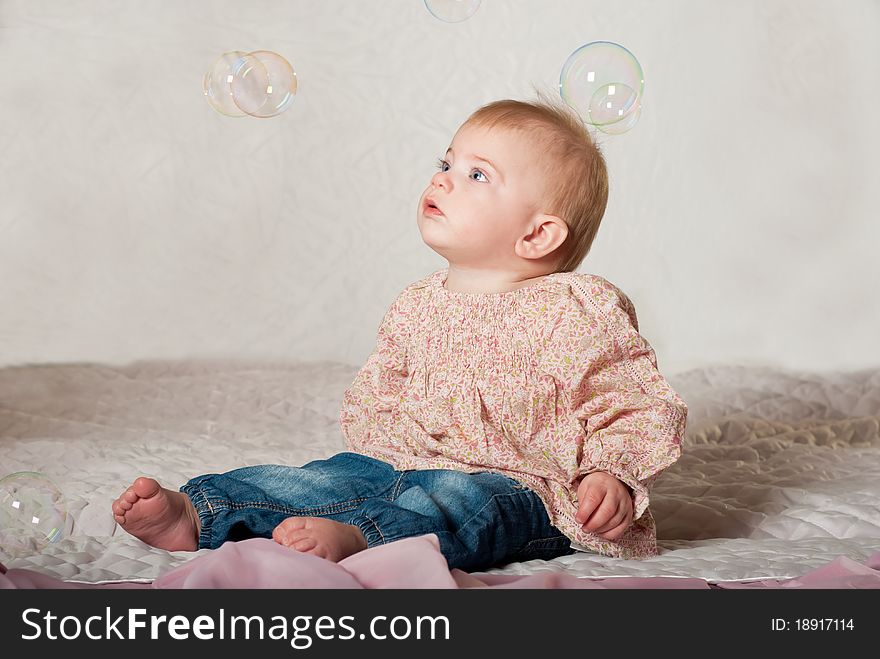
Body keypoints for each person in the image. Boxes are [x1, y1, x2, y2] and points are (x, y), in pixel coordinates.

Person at [112, 98, 688, 571]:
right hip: (399, 462)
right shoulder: (418, 302)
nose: (444, 177)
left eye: (477, 174)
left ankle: (367, 541)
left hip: (522, 483)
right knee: (314, 479)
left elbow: (634, 402)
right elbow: (381, 390)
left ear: (538, 235)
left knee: (465, 506)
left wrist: (611, 472)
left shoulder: (576, 308)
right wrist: (377, 458)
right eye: (446, 161)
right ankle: (201, 510)